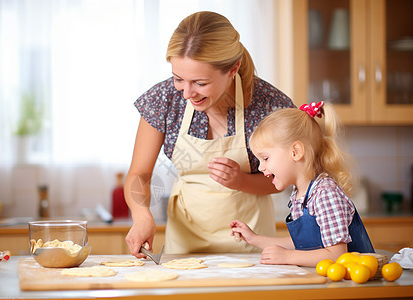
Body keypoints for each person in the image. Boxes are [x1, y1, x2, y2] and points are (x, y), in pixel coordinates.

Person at [125, 11, 295, 258]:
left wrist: (241, 181)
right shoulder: (164, 99)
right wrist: (141, 216)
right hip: (184, 248)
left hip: (253, 249)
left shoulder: (268, 105)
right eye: (178, 79)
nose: (187, 93)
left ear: (233, 68)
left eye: (200, 83)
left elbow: (285, 179)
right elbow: (139, 174)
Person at [230, 101, 374, 267]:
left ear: (295, 152)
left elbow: (337, 256)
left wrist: (288, 257)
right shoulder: (301, 195)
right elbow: (307, 243)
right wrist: (254, 239)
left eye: (266, 158)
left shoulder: (325, 194)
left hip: (351, 285)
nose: (261, 167)